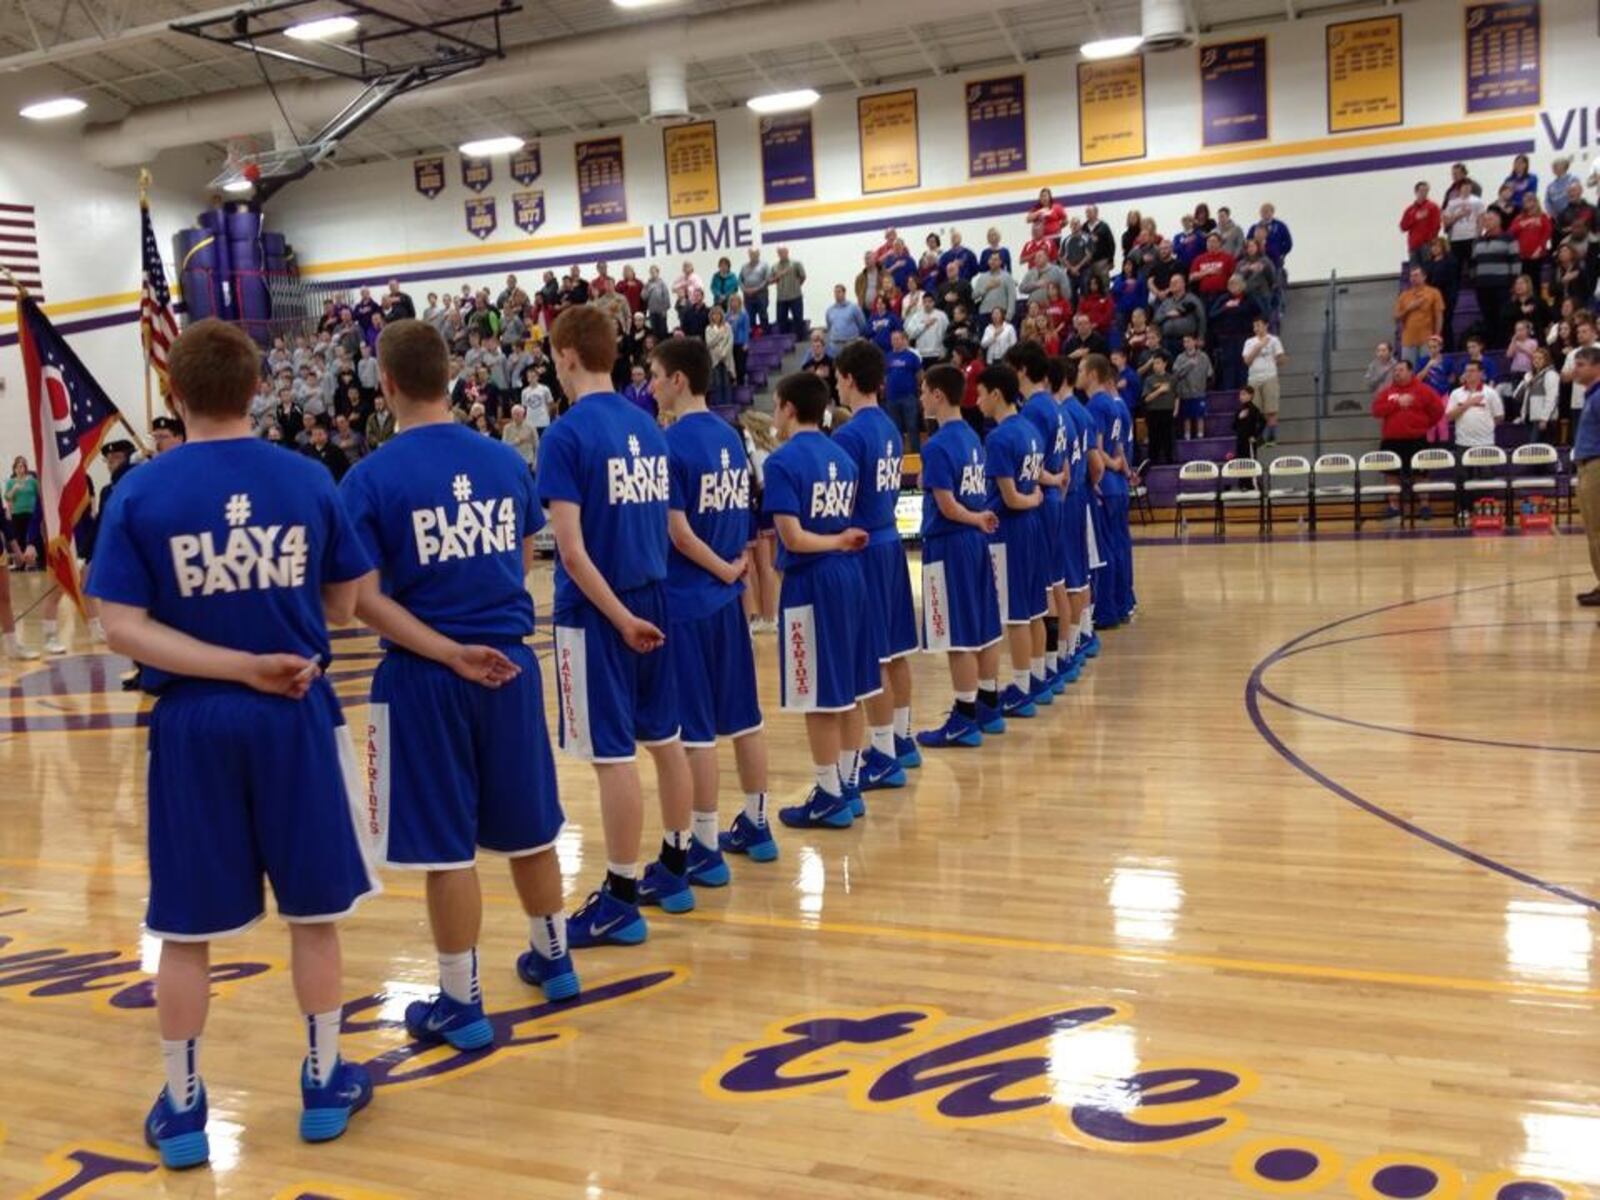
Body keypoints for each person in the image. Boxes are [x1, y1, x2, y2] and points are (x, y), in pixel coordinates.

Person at [87, 319, 377, 1168]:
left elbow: (120, 628)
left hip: (191, 727)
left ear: (174, 393)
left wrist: (229, 663)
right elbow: (344, 609)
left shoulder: (141, 491)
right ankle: (323, 1082)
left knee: (185, 928)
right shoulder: (308, 477)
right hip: (293, 710)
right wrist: (263, 651)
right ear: (259, 388)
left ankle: (181, 1109)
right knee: (315, 915)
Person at [339, 318, 576, 1057]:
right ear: (451, 376)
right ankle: (555, 958)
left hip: (426, 672)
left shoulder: (370, 478)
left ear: (387, 384)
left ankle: (460, 1001)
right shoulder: (506, 461)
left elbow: (358, 599)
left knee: (448, 848)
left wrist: (446, 649)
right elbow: (526, 558)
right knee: (531, 826)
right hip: (508, 663)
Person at [535, 305, 696, 939]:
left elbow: (571, 552)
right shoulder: (650, 428)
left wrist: (621, 618)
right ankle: (676, 867)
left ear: (567, 355)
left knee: (612, 756)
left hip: (601, 612)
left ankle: (622, 895)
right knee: (665, 738)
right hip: (651, 596)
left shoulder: (566, 435)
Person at [648, 339, 777, 866]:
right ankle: (759, 823)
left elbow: (678, 533)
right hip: (728, 601)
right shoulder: (732, 436)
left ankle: (702, 845)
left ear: (679, 380)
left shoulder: (671, 444)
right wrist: (731, 569)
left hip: (689, 600)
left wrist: (722, 567)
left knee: (695, 731)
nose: (650, 384)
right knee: (745, 717)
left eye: (655, 374)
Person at [763, 371, 874, 828]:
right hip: (849, 575)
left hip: (812, 578)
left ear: (789, 408)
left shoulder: (782, 461)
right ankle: (847, 785)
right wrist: (841, 542)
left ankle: (828, 793)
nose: (773, 414)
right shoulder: (842, 456)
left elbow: (792, 536)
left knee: (817, 694)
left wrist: (833, 542)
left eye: (775, 406)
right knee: (849, 688)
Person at [833, 340, 922, 789]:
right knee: (896, 648)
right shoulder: (888, 425)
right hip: (889, 539)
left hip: (864, 543)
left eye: (837, 376)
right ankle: (902, 738)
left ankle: (883, 753)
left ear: (848, 379)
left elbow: (838, 499)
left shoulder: (849, 433)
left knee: (875, 657)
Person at [912, 363, 1004, 747]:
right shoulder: (971, 435)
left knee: (956, 633)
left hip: (951, 541)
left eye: (922, 391)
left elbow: (948, 506)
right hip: (974, 543)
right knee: (983, 625)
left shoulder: (936, 444)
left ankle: (964, 716)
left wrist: (974, 517)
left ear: (937, 395)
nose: (919, 398)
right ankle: (988, 705)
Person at [976, 363, 1046, 719]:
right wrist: (1034, 499)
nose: (977, 401)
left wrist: (1031, 499)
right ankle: (1033, 678)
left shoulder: (999, 437)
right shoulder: (1031, 430)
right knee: (1033, 607)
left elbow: (1012, 497)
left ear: (996, 394)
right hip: (1031, 526)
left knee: (1015, 613)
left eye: (980, 393)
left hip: (1009, 529)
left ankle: (1019, 688)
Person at [1009, 342, 1070, 702]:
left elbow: (1032, 464)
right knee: (1055, 581)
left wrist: (1047, 481)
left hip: (1041, 498)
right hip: (1054, 498)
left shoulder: (1032, 410)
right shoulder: (1053, 405)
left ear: (1020, 371)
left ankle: (1045, 668)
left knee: (1043, 588)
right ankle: (1055, 661)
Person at [1083, 353, 1136, 627]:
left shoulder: (1096, 405)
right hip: (1117, 482)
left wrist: (1108, 468)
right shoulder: (1116, 405)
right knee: (1118, 544)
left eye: (1081, 369)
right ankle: (1123, 602)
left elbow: (1098, 450)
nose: (1078, 373)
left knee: (1104, 548)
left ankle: (1107, 610)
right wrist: (1122, 468)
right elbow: (1117, 450)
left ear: (1092, 374)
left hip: (1104, 483)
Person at [1372, 359, 1445, 515]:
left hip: (1417, 439)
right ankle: (1394, 507)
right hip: (1392, 440)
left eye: (1401, 370)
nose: (1397, 373)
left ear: (1410, 372)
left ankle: (1424, 506)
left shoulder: (1423, 390)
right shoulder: (1387, 392)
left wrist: (1423, 425)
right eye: (1395, 370)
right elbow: (1377, 411)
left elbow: (1438, 411)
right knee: (1391, 474)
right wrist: (1397, 403)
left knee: (1421, 474)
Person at [1570, 347, 1600, 606]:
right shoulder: (1591, 396)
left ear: (1596, 367)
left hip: (1597, 466)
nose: (1575, 369)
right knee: (1593, 531)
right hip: (1587, 466)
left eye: (1580, 364)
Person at [1470, 211, 1519, 346]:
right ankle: (1491, 345)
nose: (1487, 222)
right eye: (1485, 220)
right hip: (1483, 287)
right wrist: (1475, 281)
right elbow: (1473, 263)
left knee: (1502, 317)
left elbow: (1515, 261)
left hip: (1502, 285)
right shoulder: (1478, 241)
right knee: (1487, 317)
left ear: (1499, 221)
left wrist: (1513, 283)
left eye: (1490, 219)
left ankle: (1503, 344)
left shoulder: (1509, 238)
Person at [1242, 317, 1287, 444]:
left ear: (1266, 325)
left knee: (1271, 409)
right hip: (1254, 379)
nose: (1256, 328)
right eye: (1254, 326)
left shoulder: (1274, 340)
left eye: (1258, 325)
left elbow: (1282, 359)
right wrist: (1259, 346)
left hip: (1270, 377)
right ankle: (1258, 436)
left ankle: (1271, 437)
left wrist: (1277, 359)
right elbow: (1247, 361)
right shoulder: (1249, 342)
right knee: (1255, 410)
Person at [1446, 361, 1504, 450]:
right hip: (1462, 443)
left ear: (1481, 373)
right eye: (1466, 371)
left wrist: (1486, 427)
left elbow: (1499, 417)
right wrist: (1468, 404)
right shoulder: (1456, 393)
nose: (1468, 374)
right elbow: (1449, 417)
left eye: (1472, 371)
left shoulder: (1491, 392)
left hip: (1486, 443)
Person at [1394, 266, 1445, 366]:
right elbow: (1396, 316)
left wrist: (1437, 336)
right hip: (1408, 339)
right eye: (1411, 276)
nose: (1413, 278)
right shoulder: (1404, 295)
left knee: (1428, 368)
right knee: (1408, 369)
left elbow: (1439, 316)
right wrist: (1409, 308)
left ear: (1424, 277)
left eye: (1416, 275)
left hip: (1427, 339)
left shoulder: (1434, 293)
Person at [1516, 345, 1560, 439]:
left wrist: (1544, 418)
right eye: (1534, 358)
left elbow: (1552, 398)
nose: (1536, 360)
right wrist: (1526, 382)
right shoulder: (1529, 375)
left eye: (1540, 358)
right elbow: (1516, 395)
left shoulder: (1551, 374)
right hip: (1529, 417)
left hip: (1543, 419)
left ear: (1546, 360)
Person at [1401, 181, 1442, 264]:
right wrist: (1415, 218)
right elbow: (1403, 227)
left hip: (1427, 244)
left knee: (1428, 269)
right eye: (1422, 191)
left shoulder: (1433, 207)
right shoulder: (1410, 209)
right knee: (1415, 270)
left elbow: (1436, 225)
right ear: (1416, 192)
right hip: (1413, 245)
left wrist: (1432, 242)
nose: (1424, 193)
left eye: (1426, 191)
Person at [824, 285, 868, 358]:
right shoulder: (830, 310)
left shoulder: (854, 308)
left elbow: (862, 325)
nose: (837, 294)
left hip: (850, 344)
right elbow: (829, 327)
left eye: (839, 292)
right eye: (835, 292)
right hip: (835, 346)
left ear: (844, 293)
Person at [772, 247, 806, 336]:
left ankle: (800, 339)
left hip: (795, 296)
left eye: (783, 252)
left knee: (798, 319)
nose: (781, 254)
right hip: (781, 298)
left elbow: (803, 276)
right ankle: (785, 341)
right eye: (779, 253)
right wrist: (779, 275)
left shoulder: (796, 263)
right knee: (781, 320)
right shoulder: (775, 266)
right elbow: (771, 280)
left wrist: (796, 286)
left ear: (787, 252)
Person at [740, 247, 771, 332]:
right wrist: (744, 289)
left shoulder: (764, 265)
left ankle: (765, 334)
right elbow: (740, 280)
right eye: (751, 254)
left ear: (758, 254)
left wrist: (755, 289)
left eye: (755, 254)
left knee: (763, 315)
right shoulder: (744, 266)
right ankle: (752, 336)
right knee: (749, 316)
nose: (753, 256)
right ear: (749, 255)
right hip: (747, 296)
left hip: (761, 295)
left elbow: (767, 280)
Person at [1233, 386, 1266, 466]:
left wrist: (1255, 436)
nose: (1241, 397)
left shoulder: (1254, 409)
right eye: (1240, 395)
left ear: (1251, 395)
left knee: (1249, 463)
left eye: (1244, 394)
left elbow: (1263, 422)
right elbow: (1233, 426)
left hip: (1249, 441)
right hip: (1240, 441)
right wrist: (1239, 418)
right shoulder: (1239, 410)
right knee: (1241, 464)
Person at [502, 402, 539, 469]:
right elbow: (504, 446)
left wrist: (536, 461)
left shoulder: (531, 427)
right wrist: (516, 442)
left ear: (523, 415)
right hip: (513, 461)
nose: (515, 417)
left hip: (528, 460)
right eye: (513, 414)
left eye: (518, 414)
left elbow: (537, 445)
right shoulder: (507, 428)